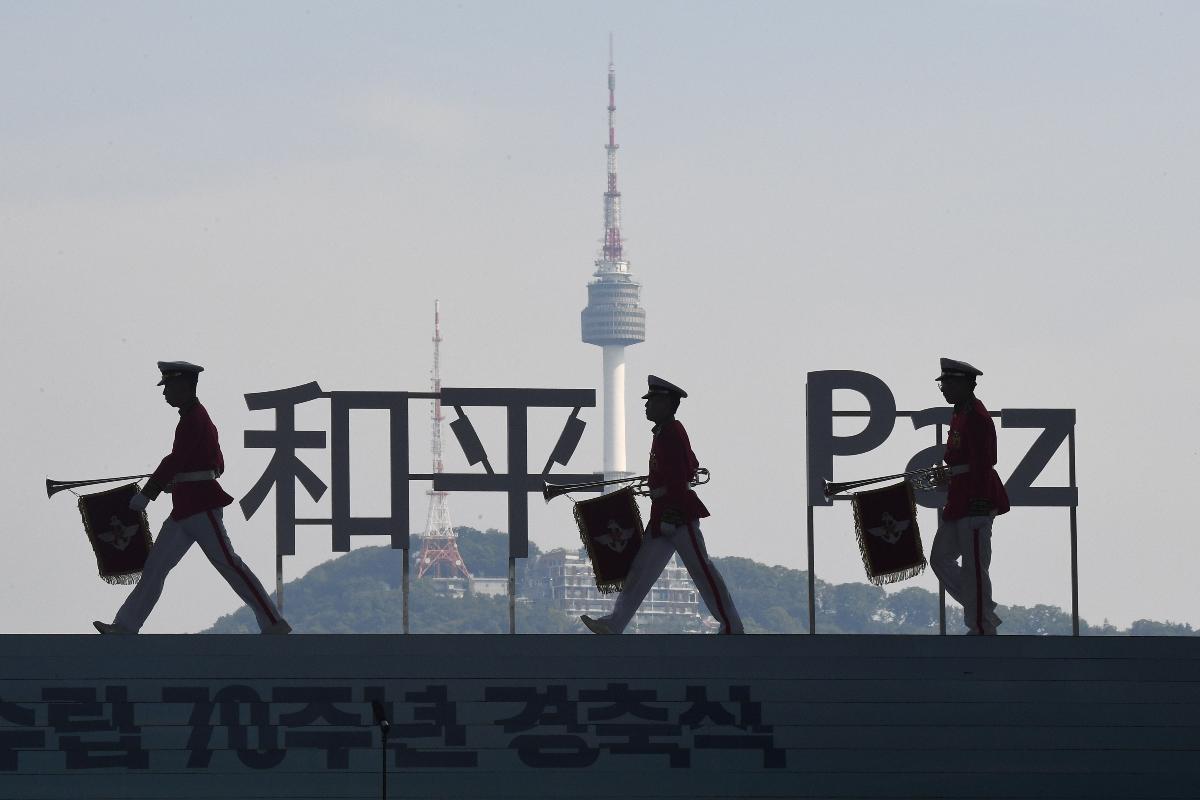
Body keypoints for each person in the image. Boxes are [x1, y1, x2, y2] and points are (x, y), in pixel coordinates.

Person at [93, 361, 290, 635]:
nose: (164, 394)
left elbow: (176, 459)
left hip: (201, 507)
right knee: (155, 568)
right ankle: (125, 626)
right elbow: (216, 463)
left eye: (168, 387)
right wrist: (183, 479)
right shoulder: (196, 418)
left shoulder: (194, 419)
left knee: (228, 563)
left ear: (183, 386)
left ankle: (273, 622)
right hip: (186, 507)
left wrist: (149, 493)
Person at [581, 375, 743, 635]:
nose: (646, 406)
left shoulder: (673, 432)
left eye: (652, 401)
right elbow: (687, 465)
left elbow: (681, 475)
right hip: (664, 513)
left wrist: (672, 509)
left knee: (702, 570)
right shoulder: (665, 433)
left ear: (667, 404)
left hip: (677, 514)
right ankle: (614, 623)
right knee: (639, 573)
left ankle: (732, 626)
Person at [929, 358, 1010, 635]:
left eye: (949, 383)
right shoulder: (961, 413)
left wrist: (978, 499)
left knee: (975, 566)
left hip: (976, 497)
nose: (943, 389)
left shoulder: (976, 416)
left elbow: (985, 462)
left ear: (966, 384)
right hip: (960, 496)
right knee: (940, 558)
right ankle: (982, 610)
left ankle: (981, 626)